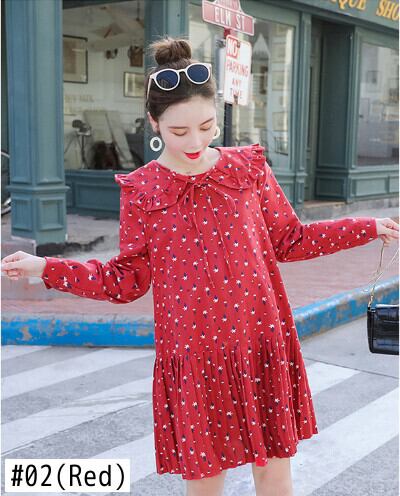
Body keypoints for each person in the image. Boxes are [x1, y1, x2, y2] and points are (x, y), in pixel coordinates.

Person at [1, 36, 399, 496]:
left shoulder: (247, 169)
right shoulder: (143, 190)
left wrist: (365, 227)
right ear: (154, 122)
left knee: (275, 476)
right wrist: (45, 268)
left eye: (207, 126)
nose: (194, 142)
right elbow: (124, 281)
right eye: (179, 131)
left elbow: (290, 240)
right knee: (205, 485)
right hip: (194, 360)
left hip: (259, 342)